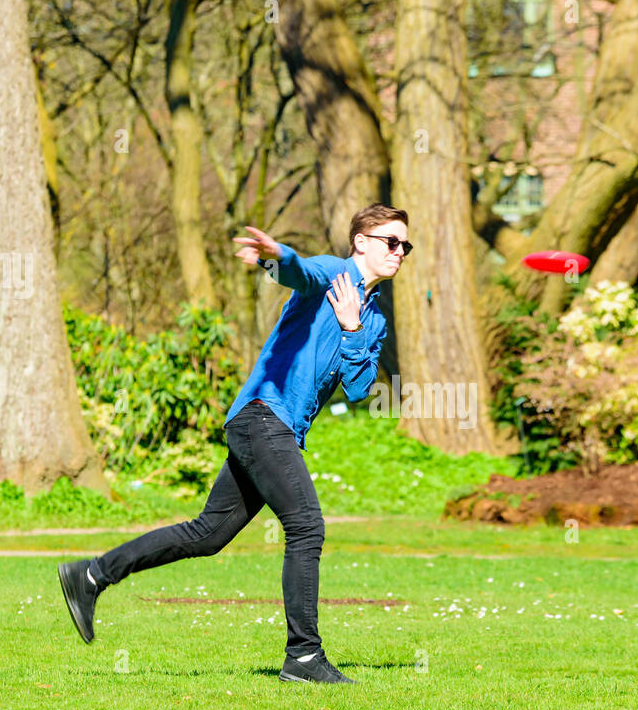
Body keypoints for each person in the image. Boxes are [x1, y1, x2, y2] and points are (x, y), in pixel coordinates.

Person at [57, 203, 411, 684]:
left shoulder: (372, 316)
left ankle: (92, 575)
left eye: (405, 245)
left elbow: (358, 386)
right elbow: (299, 271)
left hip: (273, 427)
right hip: (263, 416)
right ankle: (304, 657)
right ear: (362, 242)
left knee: (208, 534)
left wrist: (351, 328)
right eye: (392, 241)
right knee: (306, 525)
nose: (400, 252)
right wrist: (274, 255)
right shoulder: (333, 273)